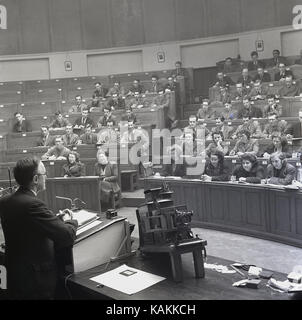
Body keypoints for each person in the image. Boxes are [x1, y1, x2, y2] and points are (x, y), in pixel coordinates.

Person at [0, 157, 78, 299]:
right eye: (44, 174)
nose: (46, 177)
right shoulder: (33, 204)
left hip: (13, 274)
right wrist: (70, 220)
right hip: (35, 281)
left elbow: (27, 227)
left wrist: (54, 220)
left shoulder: (5, 201)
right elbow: (67, 236)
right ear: (36, 179)